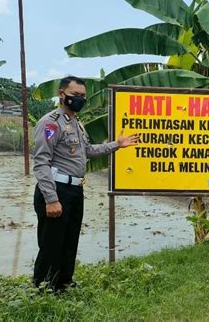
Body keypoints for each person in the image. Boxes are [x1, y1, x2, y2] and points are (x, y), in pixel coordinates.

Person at [32, 75, 139, 292]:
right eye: (75, 95)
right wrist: (51, 199)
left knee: (70, 240)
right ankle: (42, 288)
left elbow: (88, 151)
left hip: (74, 190)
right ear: (61, 95)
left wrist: (116, 145)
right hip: (56, 190)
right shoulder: (50, 123)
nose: (79, 99)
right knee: (51, 243)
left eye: (83, 96)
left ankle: (63, 282)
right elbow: (41, 162)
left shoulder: (77, 124)